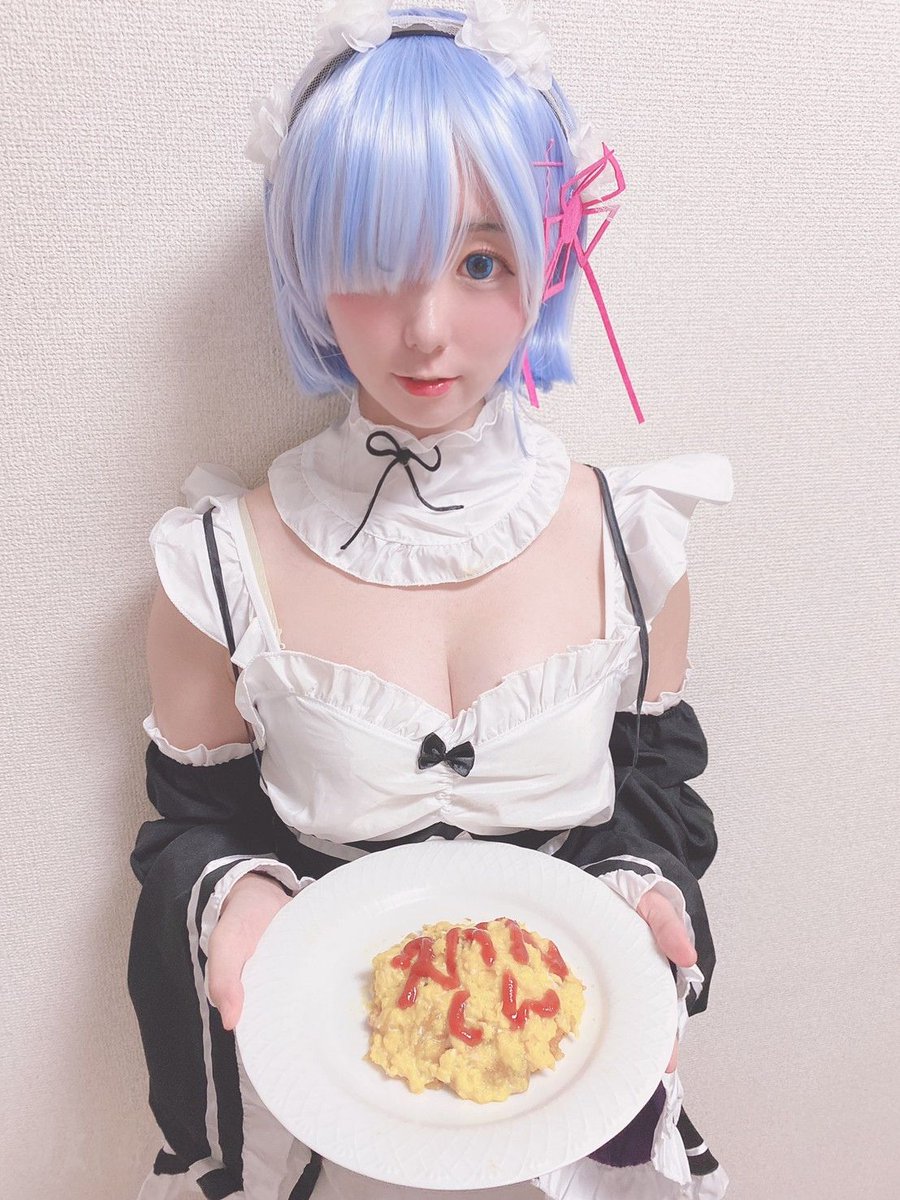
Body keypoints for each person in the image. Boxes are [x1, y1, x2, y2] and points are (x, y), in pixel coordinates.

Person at [128, 4, 734, 1198]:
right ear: (306, 267)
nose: (424, 330)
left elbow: (656, 793)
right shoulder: (216, 565)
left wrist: (641, 895)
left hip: (578, 1088)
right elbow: (188, 826)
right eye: (374, 263)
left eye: (479, 262)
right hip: (330, 1103)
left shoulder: (633, 541)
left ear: (548, 258)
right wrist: (234, 902)